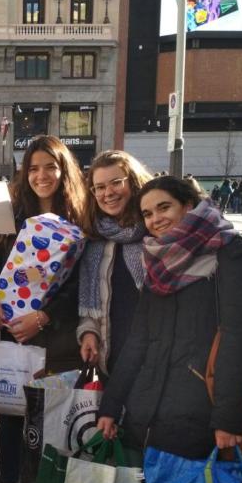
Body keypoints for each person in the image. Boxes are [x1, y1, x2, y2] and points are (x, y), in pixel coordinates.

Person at [98, 176, 242, 483]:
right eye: (148, 214)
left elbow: (239, 338)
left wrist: (228, 417)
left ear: (191, 204)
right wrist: (112, 404)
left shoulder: (229, 252)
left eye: (164, 208)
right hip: (153, 403)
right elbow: (138, 339)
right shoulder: (160, 260)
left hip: (200, 403)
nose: (155, 220)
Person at [0, 135, 86, 483]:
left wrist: (45, 317)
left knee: (50, 421)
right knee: (8, 418)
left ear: (63, 170)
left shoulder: (80, 219)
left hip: (54, 340)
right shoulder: (12, 216)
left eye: (50, 167)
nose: (42, 175)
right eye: (34, 168)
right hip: (12, 334)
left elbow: (81, 287)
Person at [77, 150, 153, 377]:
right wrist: (89, 333)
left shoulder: (155, 233)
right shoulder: (94, 241)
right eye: (99, 187)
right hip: (112, 361)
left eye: (116, 183)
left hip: (153, 363)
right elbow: (91, 303)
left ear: (134, 182)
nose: (107, 193)